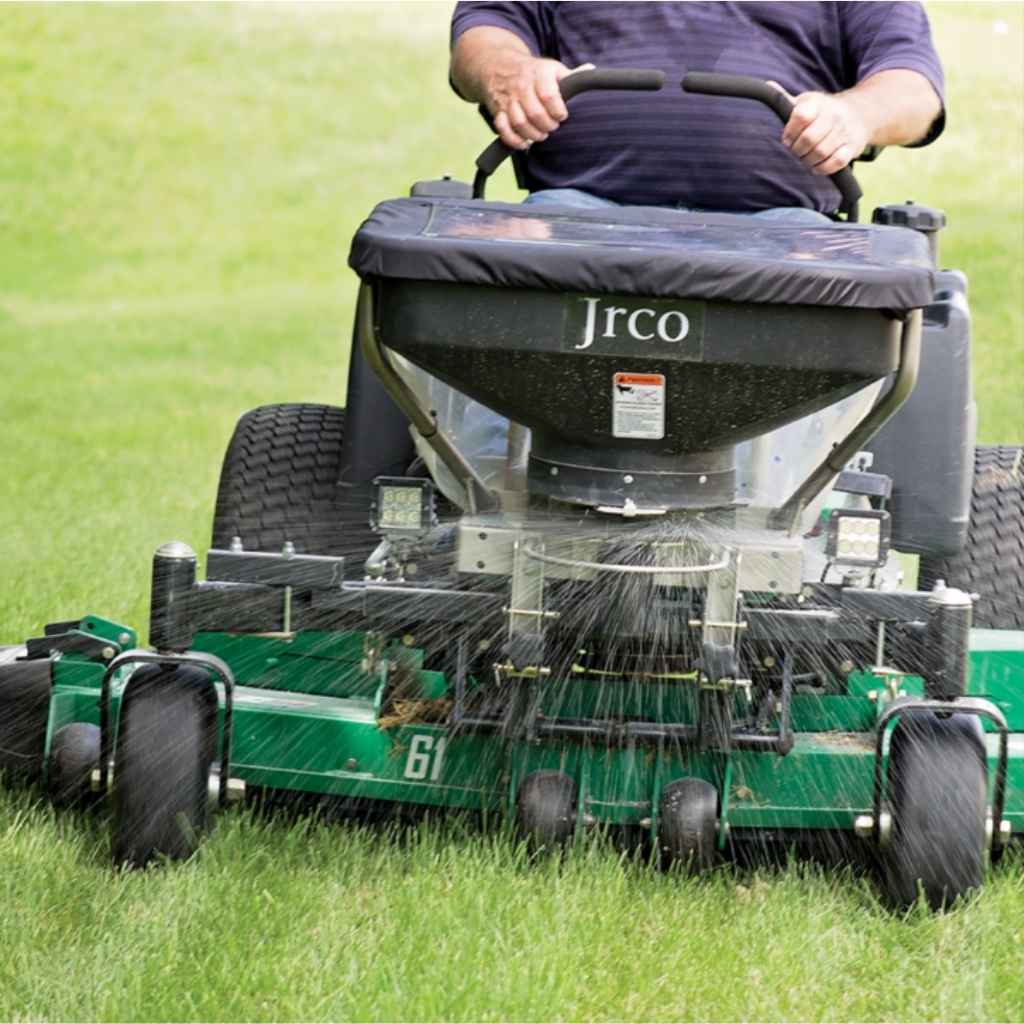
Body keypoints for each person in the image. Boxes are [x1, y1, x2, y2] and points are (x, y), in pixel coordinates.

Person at [449, 2, 944, 216]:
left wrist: (855, 115)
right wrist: (509, 71)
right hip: (572, 214)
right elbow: (486, 26)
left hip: (784, 230)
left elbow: (913, 86)